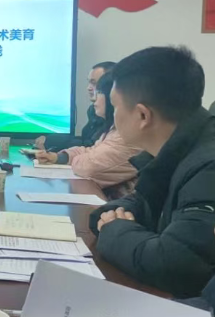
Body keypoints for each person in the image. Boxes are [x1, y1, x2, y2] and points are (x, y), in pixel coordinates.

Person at [89, 46, 215, 298]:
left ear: (143, 115)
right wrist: (107, 218)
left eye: (115, 107)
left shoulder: (207, 166)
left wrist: (113, 229)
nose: (113, 118)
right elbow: (141, 202)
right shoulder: (176, 150)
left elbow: (177, 266)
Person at [34, 71, 143, 199]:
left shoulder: (129, 136)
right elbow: (91, 151)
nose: (94, 96)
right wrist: (59, 157)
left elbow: (89, 167)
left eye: (100, 91)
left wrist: (78, 159)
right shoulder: (114, 129)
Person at [36, 61, 116, 152]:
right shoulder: (93, 111)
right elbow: (85, 141)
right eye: (89, 82)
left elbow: (91, 147)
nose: (89, 88)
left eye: (94, 83)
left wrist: (50, 141)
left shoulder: (114, 117)